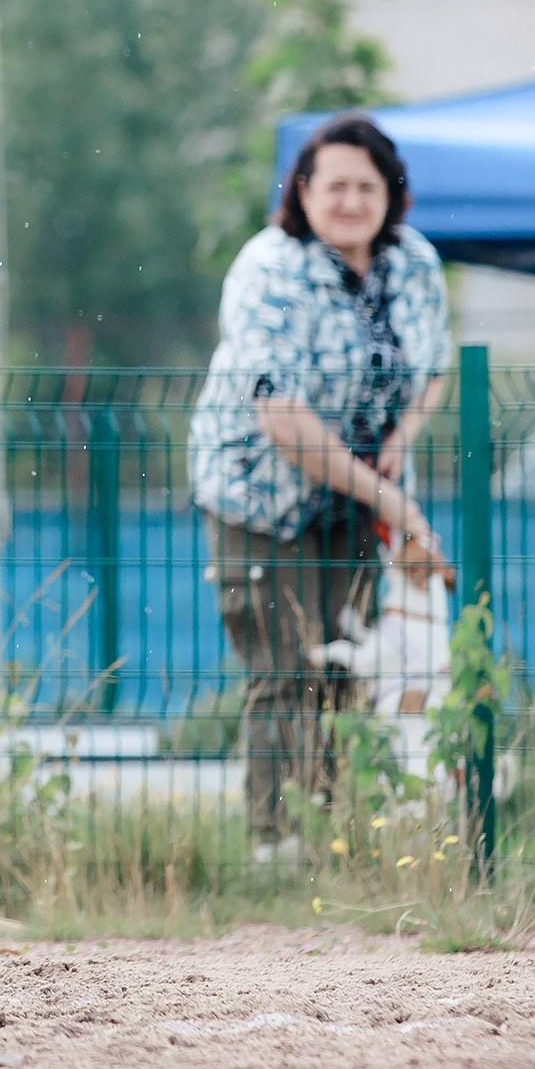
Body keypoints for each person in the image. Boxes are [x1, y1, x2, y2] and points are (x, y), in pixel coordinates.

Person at [188, 114, 453, 859]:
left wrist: (401, 440)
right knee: (282, 668)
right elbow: (279, 412)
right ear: (302, 191)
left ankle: (333, 837)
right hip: (258, 494)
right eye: (333, 183)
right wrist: (389, 498)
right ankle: (274, 845)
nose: (349, 199)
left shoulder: (415, 265)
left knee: (346, 665)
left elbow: (436, 367)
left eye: (366, 185)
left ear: (392, 195)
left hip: (354, 494)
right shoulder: (268, 268)